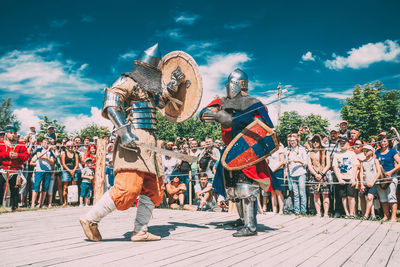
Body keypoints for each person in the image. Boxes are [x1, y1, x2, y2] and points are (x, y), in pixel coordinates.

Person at [80, 43, 188, 242]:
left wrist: (173, 83)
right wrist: (124, 132)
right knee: (128, 187)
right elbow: (111, 101)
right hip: (133, 138)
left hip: (151, 143)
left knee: (153, 189)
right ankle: (90, 219)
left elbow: (163, 103)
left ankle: (140, 231)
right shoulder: (127, 80)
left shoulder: (150, 90)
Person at [199, 68, 275, 237]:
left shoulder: (255, 104)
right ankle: (242, 219)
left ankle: (251, 225)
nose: (228, 89)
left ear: (239, 85)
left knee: (246, 187)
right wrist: (219, 115)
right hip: (230, 151)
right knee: (233, 187)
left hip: (248, 151)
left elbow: (266, 127)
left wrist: (249, 120)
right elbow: (203, 114)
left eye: (231, 85)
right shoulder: (223, 101)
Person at [0, 125, 28, 211]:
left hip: (15, 170)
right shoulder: (1, 143)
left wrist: (18, 155)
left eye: (15, 133)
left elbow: (26, 156)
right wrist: (7, 154)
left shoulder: (21, 144)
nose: (13, 135)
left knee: (15, 190)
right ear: (7, 134)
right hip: (2, 169)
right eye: (11, 133)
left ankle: (14, 207)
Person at [375, 134, 400, 222]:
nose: (383, 143)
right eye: (381, 141)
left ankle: (393, 217)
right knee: (383, 197)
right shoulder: (377, 152)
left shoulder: (392, 151)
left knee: (391, 196)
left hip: (391, 177)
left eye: (385, 141)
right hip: (381, 177)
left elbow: (399, 163)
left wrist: (391, 172)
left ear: (388, 142)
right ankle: (386, 215)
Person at [332, 136, 358, 218]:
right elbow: (335, 167)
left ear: (348, 144)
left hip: (350, 177)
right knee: (343, 197)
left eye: (344, 143)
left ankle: (352, 213)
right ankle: (346, 213)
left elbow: (355, 166)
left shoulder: (352, 153)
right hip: (341, 178)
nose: (342, 144)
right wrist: (339, 178)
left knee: (351, 196)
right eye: (341, 143)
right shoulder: (336, 154)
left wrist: (353, 178)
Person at [307, 134, 331, 217]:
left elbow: (328, 165)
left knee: (325, 194)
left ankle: (326, 213)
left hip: (323, 174)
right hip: (314, 175)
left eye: (317, 141)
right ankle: (318, 213)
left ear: (320, 141)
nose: (315, 143)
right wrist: (315, 174)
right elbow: (309, 166)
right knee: (316, 194)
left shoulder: (325, 151)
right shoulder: (310, 152)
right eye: (313, 141)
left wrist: (321, 174)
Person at [286, 134, 308, 215]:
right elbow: (286, 163)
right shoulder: (288, 151)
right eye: (290, 141)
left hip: (301, 173)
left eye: (293, 140)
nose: (292, 142)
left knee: (302, 193)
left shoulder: (302, 150)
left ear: (297, 141)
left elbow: (306, 163)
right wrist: (287, 163)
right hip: (292, 174)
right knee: (295, 193)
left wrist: (298, 161)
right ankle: (296, 210)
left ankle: (303, 210)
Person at [31, 138, 55, 208]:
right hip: (39, 170)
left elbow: (52, 161)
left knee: (45, 187)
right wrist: (46, 152)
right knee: (36, 186)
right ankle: (33, 203)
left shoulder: (51, 152)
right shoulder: (39, 149)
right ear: (41, 143)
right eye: (44, 142)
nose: (46, 144)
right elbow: (38, 156)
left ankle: (41, 203)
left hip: (48, 171)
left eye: (47, 143)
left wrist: (46, 158)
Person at [359, 145, 381, 220]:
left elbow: (378, 172)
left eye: (367, 150)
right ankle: (373, 215)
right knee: (368, 199)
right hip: (365, 182)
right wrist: (361, 184)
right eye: (364, 151)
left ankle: (366, 215)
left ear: (372, 152)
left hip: (373, 182)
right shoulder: (363, 162)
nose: (365, 152)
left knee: (370, 197)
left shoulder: (375, 160)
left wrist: (373, 182)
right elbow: (361, 173)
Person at [267, 142, 285, 214]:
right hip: (270, 171)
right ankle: (274, 210)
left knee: (278, 191)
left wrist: (274, 170)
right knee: (272, 192)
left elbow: (282, 161)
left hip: (278, 170)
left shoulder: (280, 146)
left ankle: (281, 210)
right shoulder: (269, 147)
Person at [60, 141, 79, 206]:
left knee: (74, 186)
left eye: (71, 146)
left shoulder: (75, 154)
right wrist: (69, 171)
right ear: (66, 147)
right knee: (65, 187)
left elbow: (77, 164)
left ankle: (74, 201)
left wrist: (73, 170)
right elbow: (63, 164)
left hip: (74, 170)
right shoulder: (63, 154)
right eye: (68, 146)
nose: (70, 147)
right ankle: (65, 201)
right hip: (66, 171)